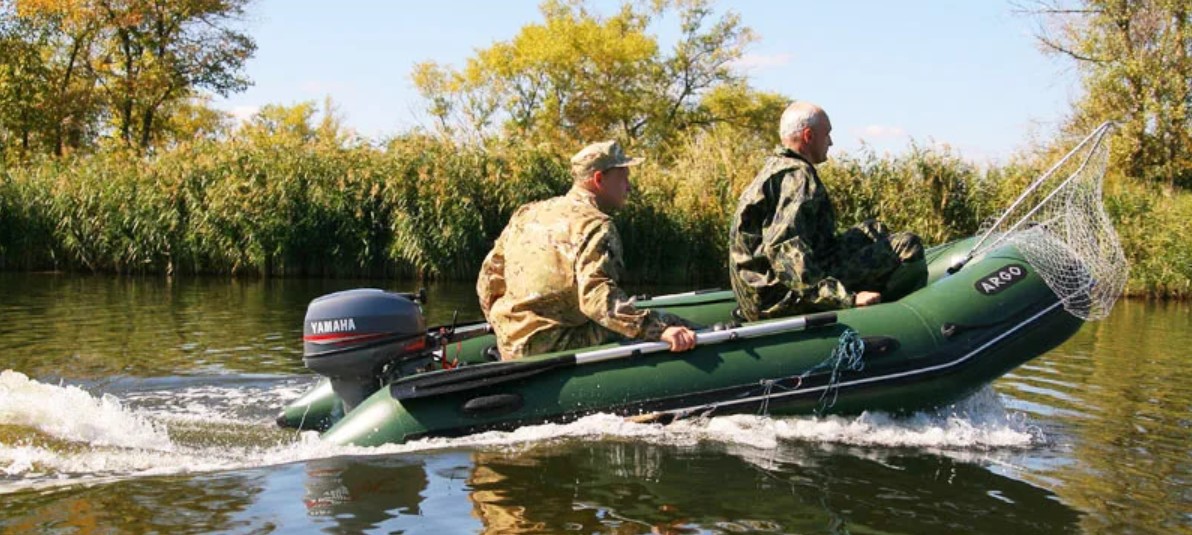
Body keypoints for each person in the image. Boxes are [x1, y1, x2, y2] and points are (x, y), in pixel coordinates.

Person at [477, 140, 697, 360]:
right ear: (599, 179)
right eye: (623, 178)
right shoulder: (596, 225)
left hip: (509, 341)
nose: (628, 187)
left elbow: (488, 280)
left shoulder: (527, 213)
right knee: (670, 322)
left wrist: (501, 325)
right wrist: (660, 329)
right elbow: (596, 299)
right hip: (550, 345)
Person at [729, 102, 926, 321]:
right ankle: (894, 319)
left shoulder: (776, 168)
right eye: (827, 134)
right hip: (778, 299)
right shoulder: (798, 177)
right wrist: (844, 298)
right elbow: (784, 249)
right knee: (908, 245)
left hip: (761, 293)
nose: (830, 142)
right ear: (808, 135)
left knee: (873, 230)